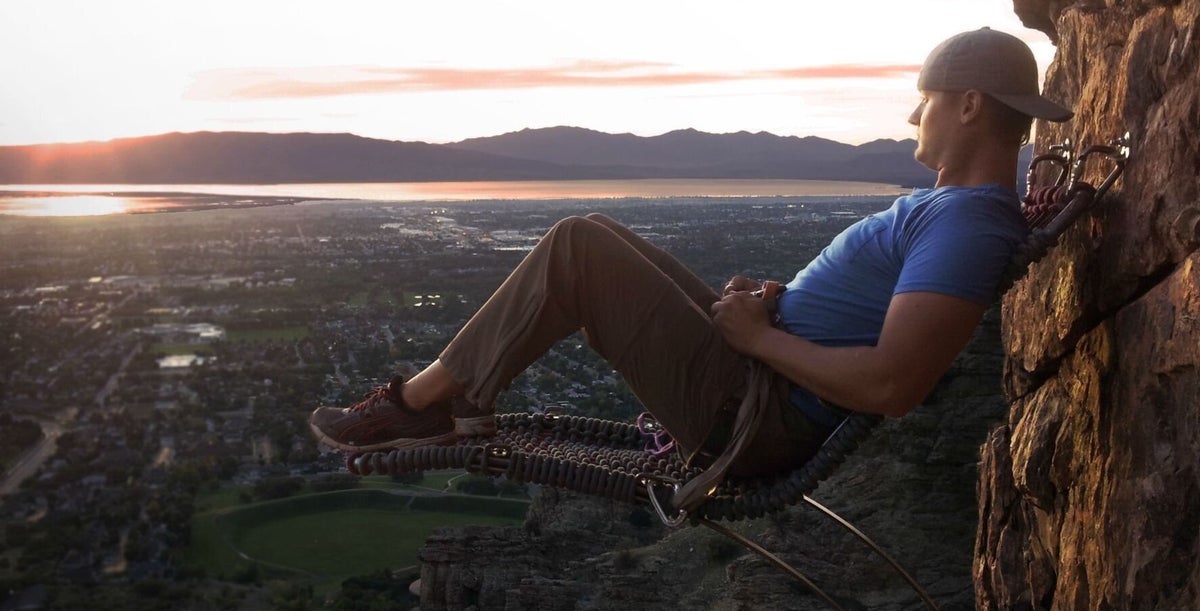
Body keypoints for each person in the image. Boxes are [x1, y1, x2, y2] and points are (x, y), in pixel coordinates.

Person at [309, 27, 1073, 483]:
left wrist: (760, 338)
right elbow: (873, 328)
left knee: (578, 248)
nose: (914, 114)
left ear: (969, 104)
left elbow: (894, 382)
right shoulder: (952, 211)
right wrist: (777, 310)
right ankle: (440, 402)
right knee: (597, 230)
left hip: (756, 415)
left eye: (927, 97)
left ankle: (424, 407)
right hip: (758, 377)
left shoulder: (967, 223)